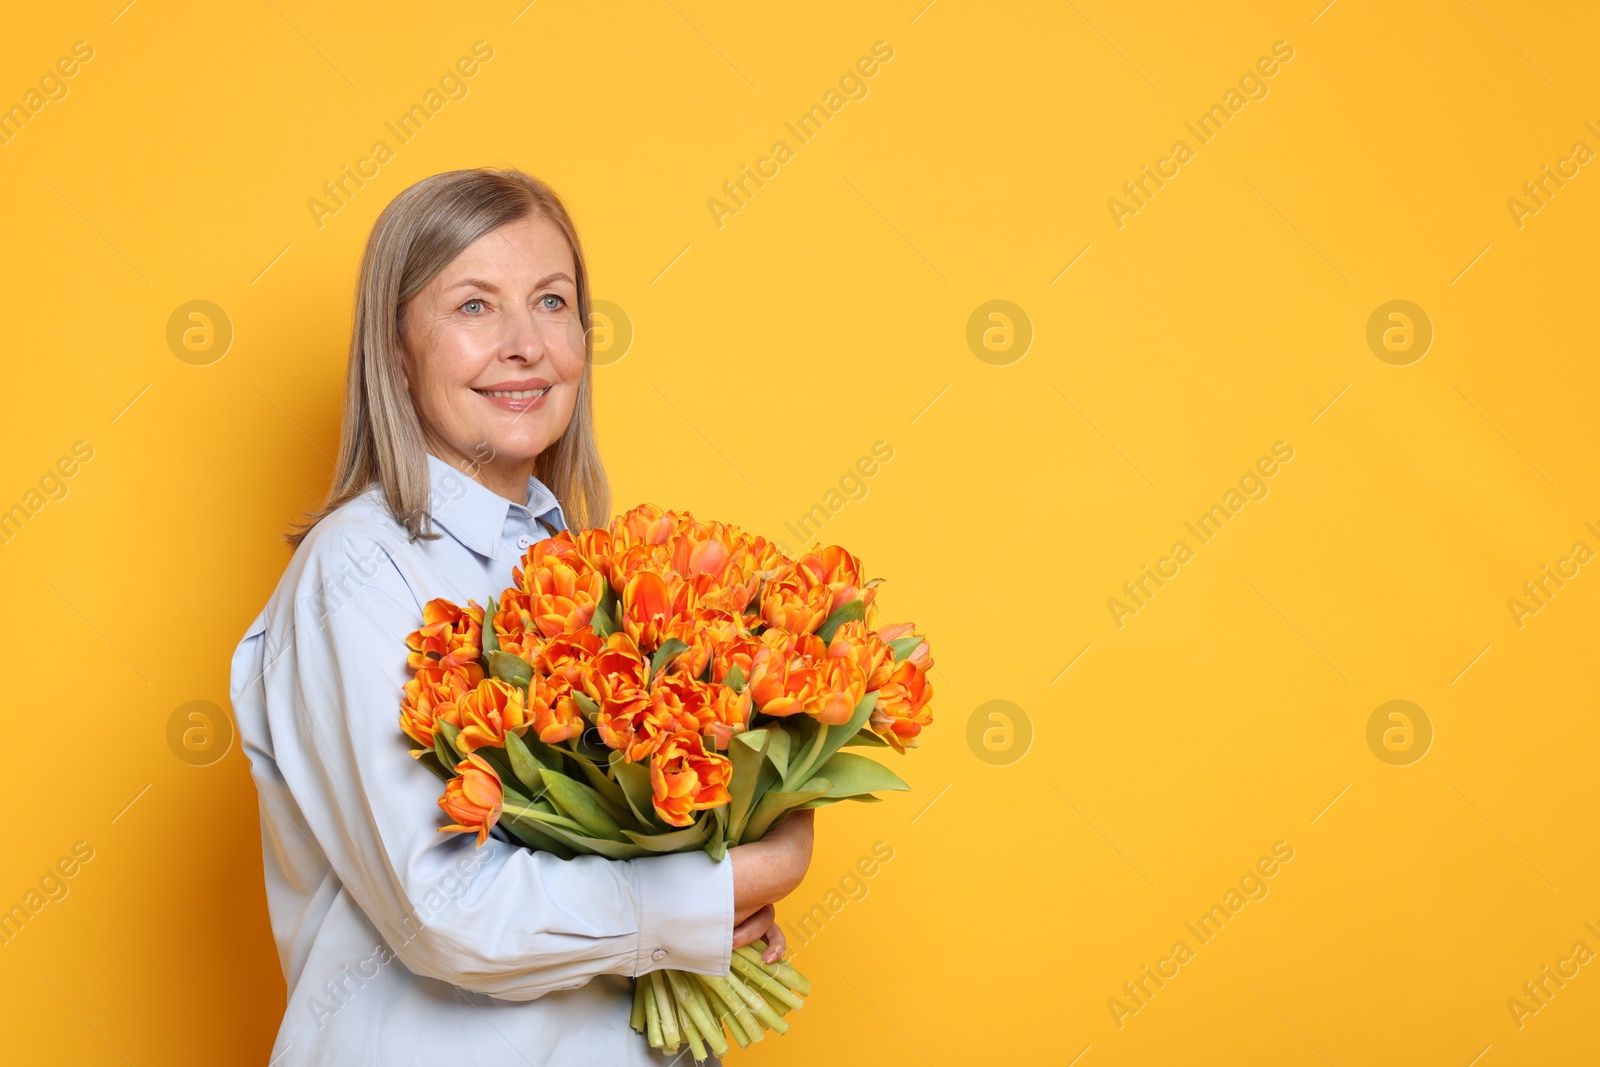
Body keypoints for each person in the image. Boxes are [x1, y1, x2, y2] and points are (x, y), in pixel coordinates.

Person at [229, 167, 814, 1065]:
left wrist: (712, 915)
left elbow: (607, 859)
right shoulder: (356, 570)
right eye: (473, 306)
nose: (525, 345)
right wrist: (713, 891)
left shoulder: (590, 568)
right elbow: (445, 914)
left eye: (551, 301)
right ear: (395, 350)